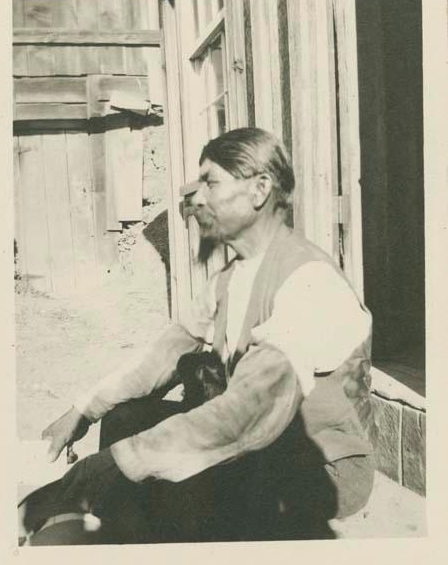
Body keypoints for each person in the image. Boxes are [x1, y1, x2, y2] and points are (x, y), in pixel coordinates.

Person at [34, 127, 375, 543]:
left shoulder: (308, 280)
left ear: (260, 189)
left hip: (318, 467)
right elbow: (162, 358)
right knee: (127, 419)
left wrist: (120, 462)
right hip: (258, 447)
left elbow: (250, 411)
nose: (194, 199)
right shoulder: (230, 278)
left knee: (169, 481)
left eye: (211, 182)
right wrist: (83, 410)